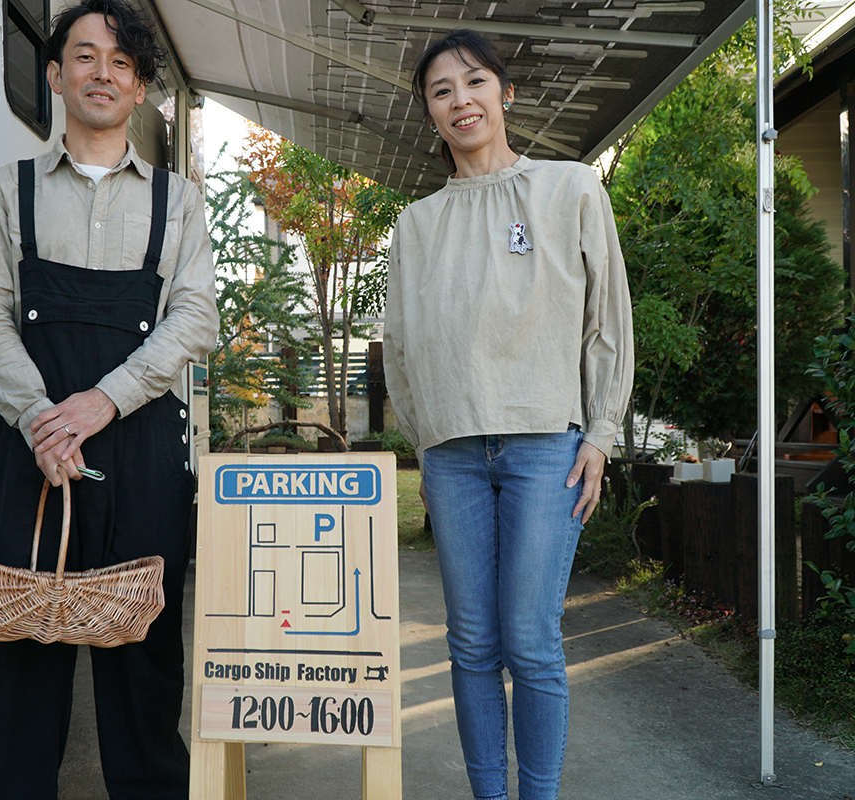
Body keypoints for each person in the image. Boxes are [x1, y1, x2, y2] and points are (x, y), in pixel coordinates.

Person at [0, 1, 218, 797]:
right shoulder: (9, 192)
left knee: (144, 658)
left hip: (144, 454)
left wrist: (102, 402)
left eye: (121, 63)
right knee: (25, 650)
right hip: (32, 453)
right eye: (84, 56)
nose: (102, 73)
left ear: (139, 88)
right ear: (54, 74)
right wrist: (42, 419)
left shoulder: (179, 200)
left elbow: (195, 317)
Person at [384, 29, 633, 800]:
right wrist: (426, 444)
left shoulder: (570, 189)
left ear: (506, 93)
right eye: (442, 91)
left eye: (475, 82)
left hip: (546, 447)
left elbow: (607, 320)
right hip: (453, 455)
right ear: (430, 113)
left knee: (530, 640)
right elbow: (402, 347)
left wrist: (601, 433)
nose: (461, 100)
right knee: (470, 644)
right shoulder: (415, 225)